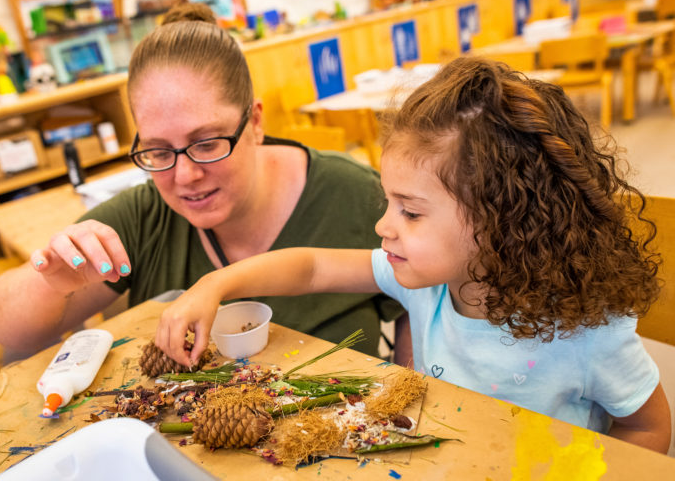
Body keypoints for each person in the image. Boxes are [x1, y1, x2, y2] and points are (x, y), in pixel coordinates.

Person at [156, 57, 672, 453]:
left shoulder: (584, 331)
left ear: (500, 220)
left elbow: (649, 426)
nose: (384, 225)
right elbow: (311, 266)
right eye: (389, 202)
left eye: (412, 212)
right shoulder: (425, 280)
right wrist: (213, 286)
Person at [0, 3, 407, 359]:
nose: (185, 176)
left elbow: (427, 302)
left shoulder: (356, 195)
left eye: (206, 143)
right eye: (158, 151)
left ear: (255, 122)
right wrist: (50, 281)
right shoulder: (143, 215)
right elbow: (4, 332)